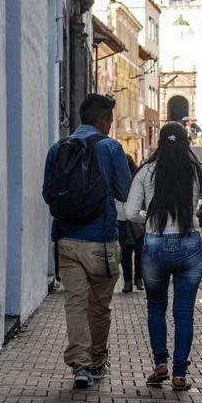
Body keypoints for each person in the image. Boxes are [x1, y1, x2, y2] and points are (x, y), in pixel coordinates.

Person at [125, 121, 202, 391]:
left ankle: (161, 363)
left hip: (156, 245)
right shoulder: (198, 172)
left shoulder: (146, 172)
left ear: (159, 142)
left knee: (156, 307)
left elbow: (130, 212)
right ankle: (180, 374)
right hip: (189, 244)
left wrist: (151, 218)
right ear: (186, 143)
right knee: (184, 313)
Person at [42, 93, 131, 388]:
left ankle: (79, 367)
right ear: (104, 121)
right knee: (99, 307)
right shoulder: (111, 147)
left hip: (66, 240)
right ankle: (96, 361)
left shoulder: (58, 148)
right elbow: (123, 193)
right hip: (101, 242)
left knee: (75, 304)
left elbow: (47, 193)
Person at [116, 154, 144, 293]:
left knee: (140, 251)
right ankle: (128, 281)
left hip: (136, 220)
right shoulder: (114, 178)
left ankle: (138, 279)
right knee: (125, 253)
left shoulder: (137, 179)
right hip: (121, 220)